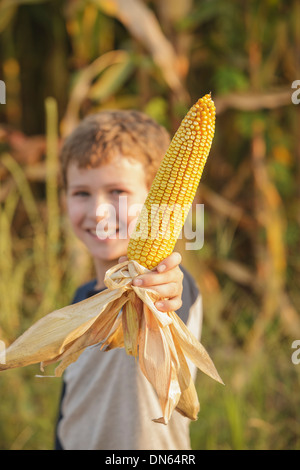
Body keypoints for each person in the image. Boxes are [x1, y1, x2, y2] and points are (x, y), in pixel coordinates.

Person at [55, 109, 203, 450]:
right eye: (81, 193)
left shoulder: (163, 286)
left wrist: (162, 290)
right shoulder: (80, 299)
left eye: (118, 191)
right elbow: (73, 404)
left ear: (156, 201)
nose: (98, 212)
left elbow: (167, 303)